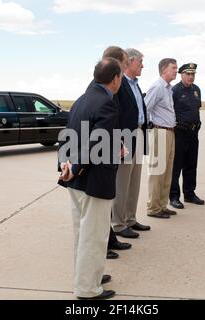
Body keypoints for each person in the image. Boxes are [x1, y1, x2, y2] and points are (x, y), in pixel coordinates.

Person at [58, 58, 123, 299]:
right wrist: (74, 166)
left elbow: (68, 136)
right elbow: (96, 142)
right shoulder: (107, 104)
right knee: (94, 236)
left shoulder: (81, 101)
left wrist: (64, 166)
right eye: (121, 78)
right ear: (115, 78)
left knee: (81, 232)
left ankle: (88, 275)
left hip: (75, 180)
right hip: (93, 180)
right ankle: (87, 289)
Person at [87, 46, 132, 258]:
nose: (126, 68)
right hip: (103, 153)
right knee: (102, 203)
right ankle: (103, 245)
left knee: (107, 201)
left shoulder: (103, 86)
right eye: (124, 63)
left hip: (111, 145)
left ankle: (110, 238)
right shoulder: (103, 89)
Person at [112, 48, 151, 239]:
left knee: (135, 181)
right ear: (131, 62)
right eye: (141, 61)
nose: (142, 65)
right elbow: (117, 113)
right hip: (126, 136)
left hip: (139, 133)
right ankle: (118, 224)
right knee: (122, 182)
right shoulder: (121, 84)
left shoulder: (136, 85)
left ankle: (130, 219)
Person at [145, 58, 178, 219]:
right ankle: (153, 207)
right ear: (164, 69)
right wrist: (152, 126)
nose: (176, 71)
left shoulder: (168, 89)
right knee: (157, 171)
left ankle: (162, 205)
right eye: (173, 68)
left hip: (170, 132)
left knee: (167, 172)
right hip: (159, 132)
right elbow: (145, 109)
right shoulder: (157, 87)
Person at [169, 63, 205, 209]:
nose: (191, 77)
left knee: (191, 165)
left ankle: (190, 194)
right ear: (181, 74)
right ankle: (174, 196)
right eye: (188, 74)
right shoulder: (175, 90)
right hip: (180, 133)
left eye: (193, 74)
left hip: (193, 133)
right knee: (176, 166)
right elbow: (170, 110)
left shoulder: (196, 90)